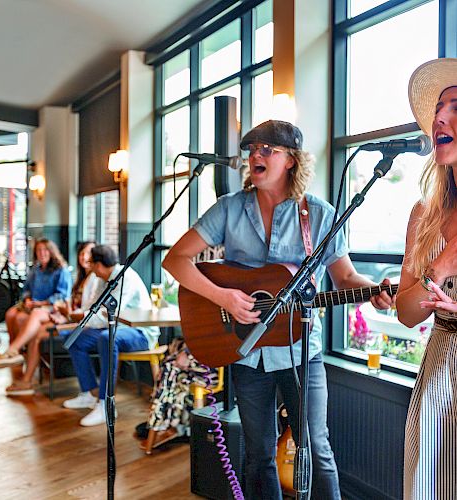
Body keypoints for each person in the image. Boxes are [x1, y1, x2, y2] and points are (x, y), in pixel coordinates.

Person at [162, 119, 395, 499]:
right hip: (248, 352)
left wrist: (374, 290)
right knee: (257, 454)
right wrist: (225, 298)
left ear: (291, 160)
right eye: (252, 148)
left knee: (316, 449)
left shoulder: (318, 214)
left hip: (303, 352)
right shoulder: (229, 209)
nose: (256, 155)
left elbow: (345, 278)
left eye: (267, 149)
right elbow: (176, 261)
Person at [396, 57, 457, 500]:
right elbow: (404, 312)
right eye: (439, 108)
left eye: (455, 107)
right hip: (439, 371)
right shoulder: (424, 216)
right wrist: (443, 267)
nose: (439, 117)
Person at [63, 244, 160, 427]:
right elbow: (93, 308)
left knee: (106, 338)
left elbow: (110, 315)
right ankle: (88, 393)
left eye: (91, 263)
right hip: (116, 329)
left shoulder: (125, 277)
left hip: (141, 333)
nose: (90, 267)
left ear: (99, 264)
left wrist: (83, 318)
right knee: (74, 337)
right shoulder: (102, 278)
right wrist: (81, 320)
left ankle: (106, 405)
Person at [0, 241, 99, 396]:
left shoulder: (95, 279)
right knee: (28, 327)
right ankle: (25, 376)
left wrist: (62, 313)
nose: (84, 257)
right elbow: (70, 303)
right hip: (67, 316)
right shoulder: (81, 278)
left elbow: (85, 310)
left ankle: (15, 354)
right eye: (82, 253)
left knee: (35, 320)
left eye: (89, 254)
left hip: (79, 323)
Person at [0, 238, 72, 362]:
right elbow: (27, 289)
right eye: (39, 250)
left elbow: (62, 295)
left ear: (51, 252)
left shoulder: (61, 270)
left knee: (19, 318)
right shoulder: (36, 269)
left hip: (49, 307)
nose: (42, 253)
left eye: (45, 250)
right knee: (10, 314)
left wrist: (41, 303)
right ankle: (15, 350)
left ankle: (18, 349)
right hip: (33, 304)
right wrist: (27, 299)